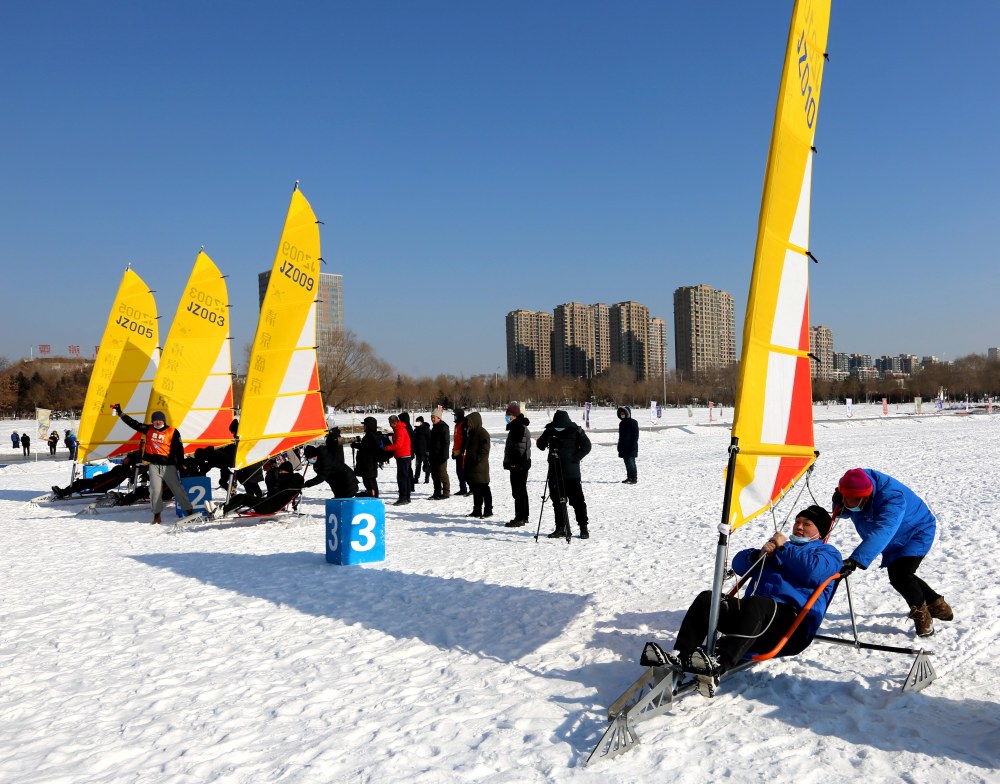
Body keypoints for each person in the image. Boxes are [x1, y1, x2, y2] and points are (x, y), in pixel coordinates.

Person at [651, 505, 842, 697]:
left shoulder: (827, 553)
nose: (799, 527)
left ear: (820, 531)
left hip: (791, 627)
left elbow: (813, 573)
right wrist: (758, 555)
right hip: (754, 618)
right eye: (797, 522)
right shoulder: (778, 548)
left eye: (807, 524)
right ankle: (680, 656)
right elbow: (738, 564)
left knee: (757, 604)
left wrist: (784, 548)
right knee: (708, 599)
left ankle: (720, 663)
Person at [833, 468, 951, 637]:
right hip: (892, 537)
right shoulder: (851, 483)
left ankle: (922, 614)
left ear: (865, 497)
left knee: (900, 574)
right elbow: (848, 508)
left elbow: (884, 529)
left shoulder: (892, 498)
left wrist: (856, 560)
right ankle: (938, 606)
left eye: (850, 501)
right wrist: (839, 505)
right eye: (843, 498)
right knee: (902, 574)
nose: (846, 502)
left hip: (916, 532)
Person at [112, 405, 194, 523]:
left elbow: (179, 449)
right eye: (155, 420)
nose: (158, 422)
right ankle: (157, 516)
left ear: (164, 420)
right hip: (154, 466)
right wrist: (120, 413)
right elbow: (133, 423)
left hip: (168, 466)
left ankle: (189, 511)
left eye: (160, 420)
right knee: (155, 491)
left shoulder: (172, 431)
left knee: (177, 489)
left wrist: (181, 463)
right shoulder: (148, 429)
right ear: (152, 421)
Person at [535, 410, 592, 539]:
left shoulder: (576, 430)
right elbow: (540, 445)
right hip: (555, 473)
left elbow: (587, 446)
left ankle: (583, 528)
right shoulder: (550, 430)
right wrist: (547, 439)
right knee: (557, 502)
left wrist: (575, 458)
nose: (559, 429)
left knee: (577, 502)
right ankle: (560, 528)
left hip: (571, 474)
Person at [224, 461, 305, 515]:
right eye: (280, 471)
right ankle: (224, 508)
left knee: (244, 498)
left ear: (288, 472)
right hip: (267, 503)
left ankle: (223, 511)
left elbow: (281, 494)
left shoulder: (289, 483)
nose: (280, 473)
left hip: (269, 507)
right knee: (242, 496)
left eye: (282, 471)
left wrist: (276, 487)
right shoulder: (286, 481)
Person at [51, 452, 139, 498]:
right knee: (80, 483)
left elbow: (109, 478)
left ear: (129, 461)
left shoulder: (122, 469)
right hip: (100, 482)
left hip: (100, 484)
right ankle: (64, 492)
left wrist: (97, 480)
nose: (124, 459)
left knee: (79, 483)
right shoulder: (124, 469)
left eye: (126, 458)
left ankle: (63, 493)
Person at [502, 403, 532, 527]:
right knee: (521, 491)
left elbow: (518, 448)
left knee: (518, 492)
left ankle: (520, 517)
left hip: (518, 465)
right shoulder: (517, 426)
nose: (507, 417)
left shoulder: (518, 428)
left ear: (514, 416)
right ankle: (524, 516)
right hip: (521, 465)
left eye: (509, 415)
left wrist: (513, 463)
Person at [463, 411, 492, 518]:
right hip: (472, 466)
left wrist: (476, 459)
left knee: (484, 489)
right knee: (475, 490)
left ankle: (488, 510)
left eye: (470, 422)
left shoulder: (483, 433)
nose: (468, 424)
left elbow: (485, 451)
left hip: (480, 467)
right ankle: (477, 510)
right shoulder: (471, 433)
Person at [382, 414, 413, 505]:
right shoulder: (399, 430)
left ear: (395, 422)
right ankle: (407, 497)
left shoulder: (400, 430)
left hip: (403, 456)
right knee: (405, 477)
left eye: (390, 423)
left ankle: (403, 497)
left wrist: (386, 448)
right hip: (404, 456)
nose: (390, 425)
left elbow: (398, 445)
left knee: (402, 478)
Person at [352, 416, 384, 498]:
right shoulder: (370, 435)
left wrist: (357, 445)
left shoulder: (371, 436)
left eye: (365, 425)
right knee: (368, 481)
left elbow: (367, 448)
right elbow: (365, 447)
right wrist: (358, 445)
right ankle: (371, 494)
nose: (364, 427)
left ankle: (374, 496)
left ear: (369, 426)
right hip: (368, 463)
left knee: (370, 481)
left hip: (369, 463)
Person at [428, 410, 451, 500]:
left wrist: (444, 455)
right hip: (433, 455)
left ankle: (446, 492)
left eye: (434, 417)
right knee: (434, 475)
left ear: (439, 418)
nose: (432, 419)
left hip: (441, 455)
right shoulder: (434, 427)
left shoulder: (444, 427)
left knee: (442, 474)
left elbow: (446, 442)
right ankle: (437, 492)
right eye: (431, 417)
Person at [616, 405, 639, 484]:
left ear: (627, 413)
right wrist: (619, 446)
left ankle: (634, 478)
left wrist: (633, 445)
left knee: (631, 462)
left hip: (631, 446)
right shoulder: (621, 423)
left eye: (623, 413)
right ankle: (629, 477)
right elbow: (621, 436)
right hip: (623, 447)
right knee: (626, 463)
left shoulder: (633, 422)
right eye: (621, 413)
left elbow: (635, 435)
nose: (622, 414)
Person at [452, 408, 469, 496]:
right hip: (457, 451)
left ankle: (467, 488)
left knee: (463, 471)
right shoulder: (457, 425)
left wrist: (463, 451)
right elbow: (456, 440)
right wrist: (453, 451)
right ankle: (462, 488)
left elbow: (465, 439)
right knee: (458, 471)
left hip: (463, 452)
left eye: (455, 415)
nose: (454, 417)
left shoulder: (463, 424)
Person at [412, 416, 431, 484]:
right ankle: (416, 478)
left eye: (418, 422)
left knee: (426, 465)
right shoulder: (416, 430)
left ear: (421, 422)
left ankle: (427, 478)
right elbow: (414, 441)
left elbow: (429, 440)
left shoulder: (426, 429)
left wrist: (428, 450)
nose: (417, 423)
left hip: (425, 451)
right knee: (417, 465)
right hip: (417, 451)